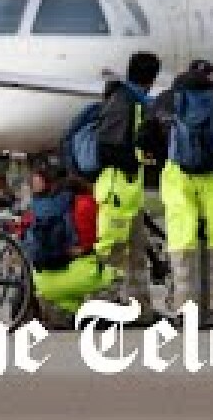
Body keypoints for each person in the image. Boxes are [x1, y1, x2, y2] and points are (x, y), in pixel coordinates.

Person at [143, 59, 213, 327]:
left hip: (178, 175)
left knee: (181, 237)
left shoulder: (165, 100)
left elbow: (145, 140)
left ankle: (185, 308)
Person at [93, 51, 161, 325]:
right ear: (151, 79)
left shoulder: (133, 101)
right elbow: (106, 148)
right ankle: (103, 308)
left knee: (136, 253)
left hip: (128, 192)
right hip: (117, 191)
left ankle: (140, 310)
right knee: (112, 252)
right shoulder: (124, 103)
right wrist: (137, 158)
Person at [28, 169, 114, 329]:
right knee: (117, 274)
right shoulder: (86, 203)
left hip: (42, 280)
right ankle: (99, 313)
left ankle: (68, 315)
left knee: (67, 298)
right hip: (80, 275)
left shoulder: (41, 208)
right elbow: (97, 239)